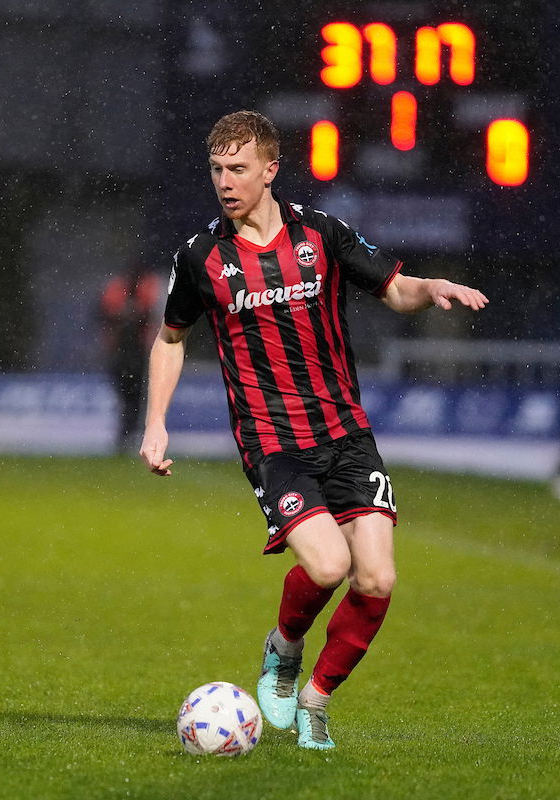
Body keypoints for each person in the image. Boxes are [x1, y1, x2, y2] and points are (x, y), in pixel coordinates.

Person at [139, 111, 487, 749]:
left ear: (271, 170)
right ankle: (284, 646)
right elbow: (170, 338)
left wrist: (431, 285)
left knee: (377, 579)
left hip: (347, 432)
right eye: (216, 169)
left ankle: (316, 699)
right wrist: (155, 423)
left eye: (238, 168)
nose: (225, 181)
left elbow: (396, 289)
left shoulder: (321, 233)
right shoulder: (200, 257)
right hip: (273, 443)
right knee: (328, 566)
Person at [100, 262, 164, 452]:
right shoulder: (124, 292)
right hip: (127, 353)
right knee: (131, 396)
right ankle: (128, 433)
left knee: (131, 396)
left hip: (132, 353)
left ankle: (128, 433)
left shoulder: (129, 292)